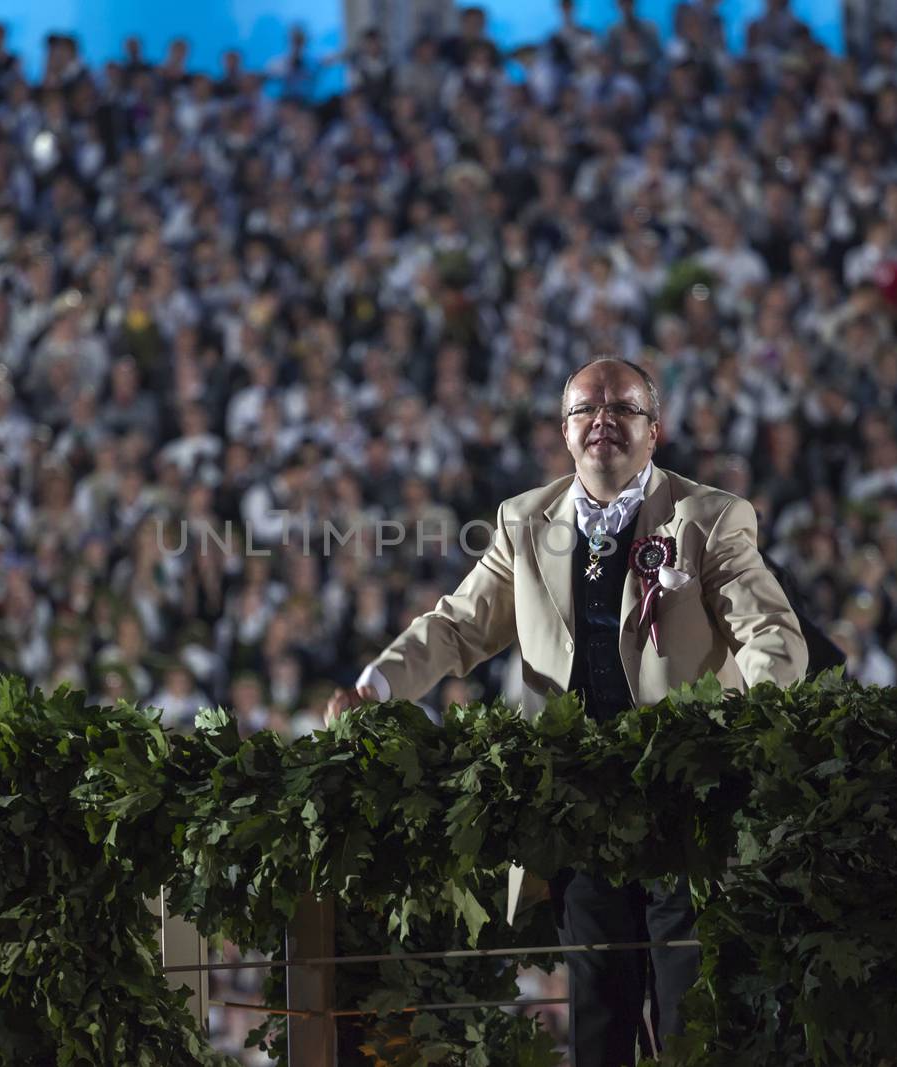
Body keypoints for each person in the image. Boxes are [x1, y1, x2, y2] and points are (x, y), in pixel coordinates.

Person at [326, 357, 807, 1064]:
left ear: (655, 429)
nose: (602, 420)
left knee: (690, 1015)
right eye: (586, 409)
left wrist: (757, 723)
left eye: (622, 408)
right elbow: (458, 625)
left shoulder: (708, 515)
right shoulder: (523, 520)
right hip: (579, 810)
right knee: (598, 1017)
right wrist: (375, 688)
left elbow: (769, 632)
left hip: (688, 808)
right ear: (564, 429)